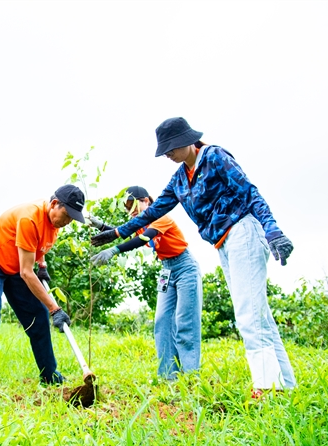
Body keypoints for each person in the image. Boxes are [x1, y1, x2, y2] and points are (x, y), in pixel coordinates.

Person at [91, 117, 297, 397]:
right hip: (223, 243)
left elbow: (250, 193)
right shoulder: (179, 179)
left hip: (243, 230)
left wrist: (272, 230)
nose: (168, 154)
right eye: (164, 151)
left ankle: (266, 388)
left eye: (170, 148)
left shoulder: (215, 157)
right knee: (259, 314)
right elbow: (153, 212)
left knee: (248, 314)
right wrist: (116, 233)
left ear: (187, 140)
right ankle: (284, 385)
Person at [0, 184, 85, 408]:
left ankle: (50, 375)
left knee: (38, 317)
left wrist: (41, 265)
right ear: (54, 204)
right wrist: (56, 309)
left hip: (15, 268)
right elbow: (26, 272)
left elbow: (38, 250)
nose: (68, 221)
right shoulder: (29, 217)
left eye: (73, 217)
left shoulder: (55, 223)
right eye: (67, 215)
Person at [89, 186, 202, 381]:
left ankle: (191, 376)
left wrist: (114, 250)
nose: (130, 209)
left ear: (146, 201)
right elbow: (127, 234)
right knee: (162, 321)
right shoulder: (140, 222)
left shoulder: (161, 215)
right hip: (167, 270)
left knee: (184, 321)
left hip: (185, 268)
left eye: (132, 204)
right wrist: (101, 226)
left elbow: (143, 239)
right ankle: (169, 377)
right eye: (126, 206)